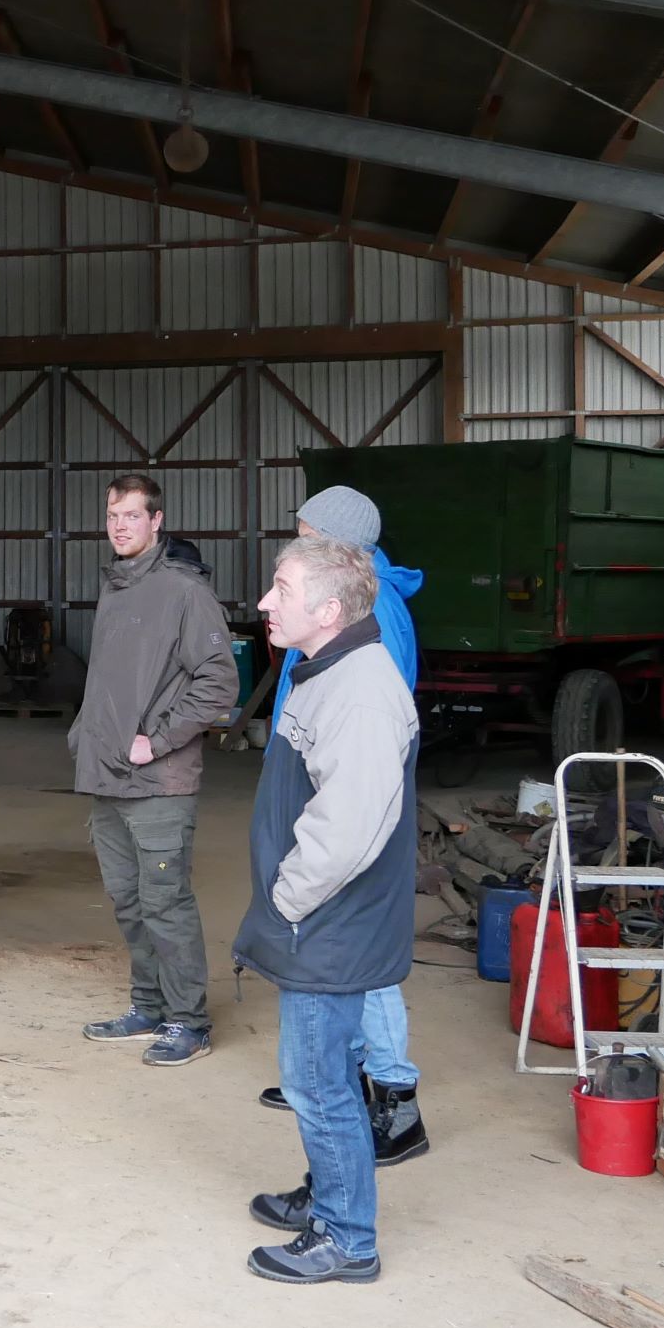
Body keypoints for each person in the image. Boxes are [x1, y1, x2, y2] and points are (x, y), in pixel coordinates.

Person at [236, 537, 419, 1284]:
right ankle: (328, 1194)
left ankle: (346, 1235)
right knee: (325, 1070)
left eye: (281, 588)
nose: (263, 602)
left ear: (330, 609)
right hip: (319, 918)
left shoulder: (360, 693)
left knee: (317, 1081)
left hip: (327, 920)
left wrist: (286, 900)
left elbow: (348, 830)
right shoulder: (325, 671)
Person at [253, 485, 431, 1165]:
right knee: (347, 970)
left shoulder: (370, 611)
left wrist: (288, 893)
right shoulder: (332, 608)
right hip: (319, 789)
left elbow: (366, 745)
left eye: (306, 535)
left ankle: (394, 1097)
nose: (296, 546)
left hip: (348, 813)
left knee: (363, 964)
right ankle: (339, 1077)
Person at [73, 472, 240, 1066]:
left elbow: (219, 681)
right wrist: (86, 735)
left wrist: (159, 740)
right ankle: (148, 1007)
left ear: (156, 520)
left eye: (131, 516)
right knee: (128, 901)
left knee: (165, 903)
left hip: (158, 782)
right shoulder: (117, 586)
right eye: (112, 515)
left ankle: (189, 1023)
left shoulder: (182, 590)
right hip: (108, 775)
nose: (119, 526)